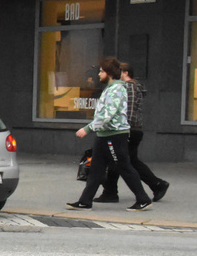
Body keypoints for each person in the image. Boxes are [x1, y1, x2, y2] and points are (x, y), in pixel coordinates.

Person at [67, 57, 152, 212]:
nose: (99, 74)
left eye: (101, 71)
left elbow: (107, 115)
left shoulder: (116, 89)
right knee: (96, 169)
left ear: (109, 73)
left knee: (124, 166)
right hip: (104, 134)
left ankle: (143, 199)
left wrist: (87, 129)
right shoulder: (111, 88)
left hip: (114, 135)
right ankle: (85, 201)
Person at [96, 62, 169, 203]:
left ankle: (154, 185)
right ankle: (155, 185)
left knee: (120, 161)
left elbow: (128, 110)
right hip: (131, 129)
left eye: (119, 72)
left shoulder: (130, 87)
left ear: (126, 73)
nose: (116, 75)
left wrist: (125, 129)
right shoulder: (130, 87)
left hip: (128, 130)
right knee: (126, 161)